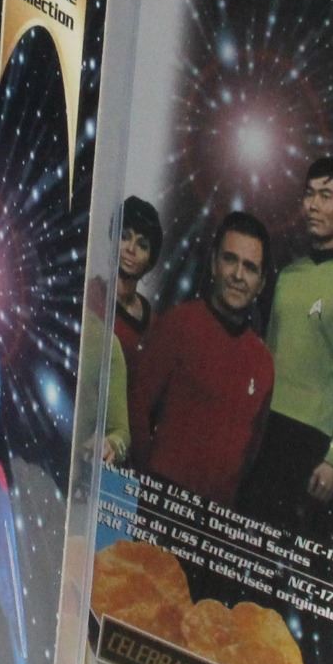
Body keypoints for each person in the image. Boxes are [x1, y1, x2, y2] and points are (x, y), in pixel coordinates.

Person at [237, 156, 333, 529]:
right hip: (263, 427)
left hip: (309, 440)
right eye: (309, 194)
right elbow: (264, 354)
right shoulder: (287, 275)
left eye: (325, 196)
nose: (313, 205)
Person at [130, 211, 274, 508]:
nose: (238, 275)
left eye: (250, 268)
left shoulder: (263, 362)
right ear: (213, 264)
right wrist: (150, 485)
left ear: (261, 283)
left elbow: (252, 452)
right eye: (230, 260)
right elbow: (136, 409)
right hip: (160, 503)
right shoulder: (178, 324)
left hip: (217, 518)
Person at [111, 195, 162, 383]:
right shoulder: (93, 297)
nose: (131, 249)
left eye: (142, 245)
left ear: (150, 260)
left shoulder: (154, 324)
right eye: (125, 237)